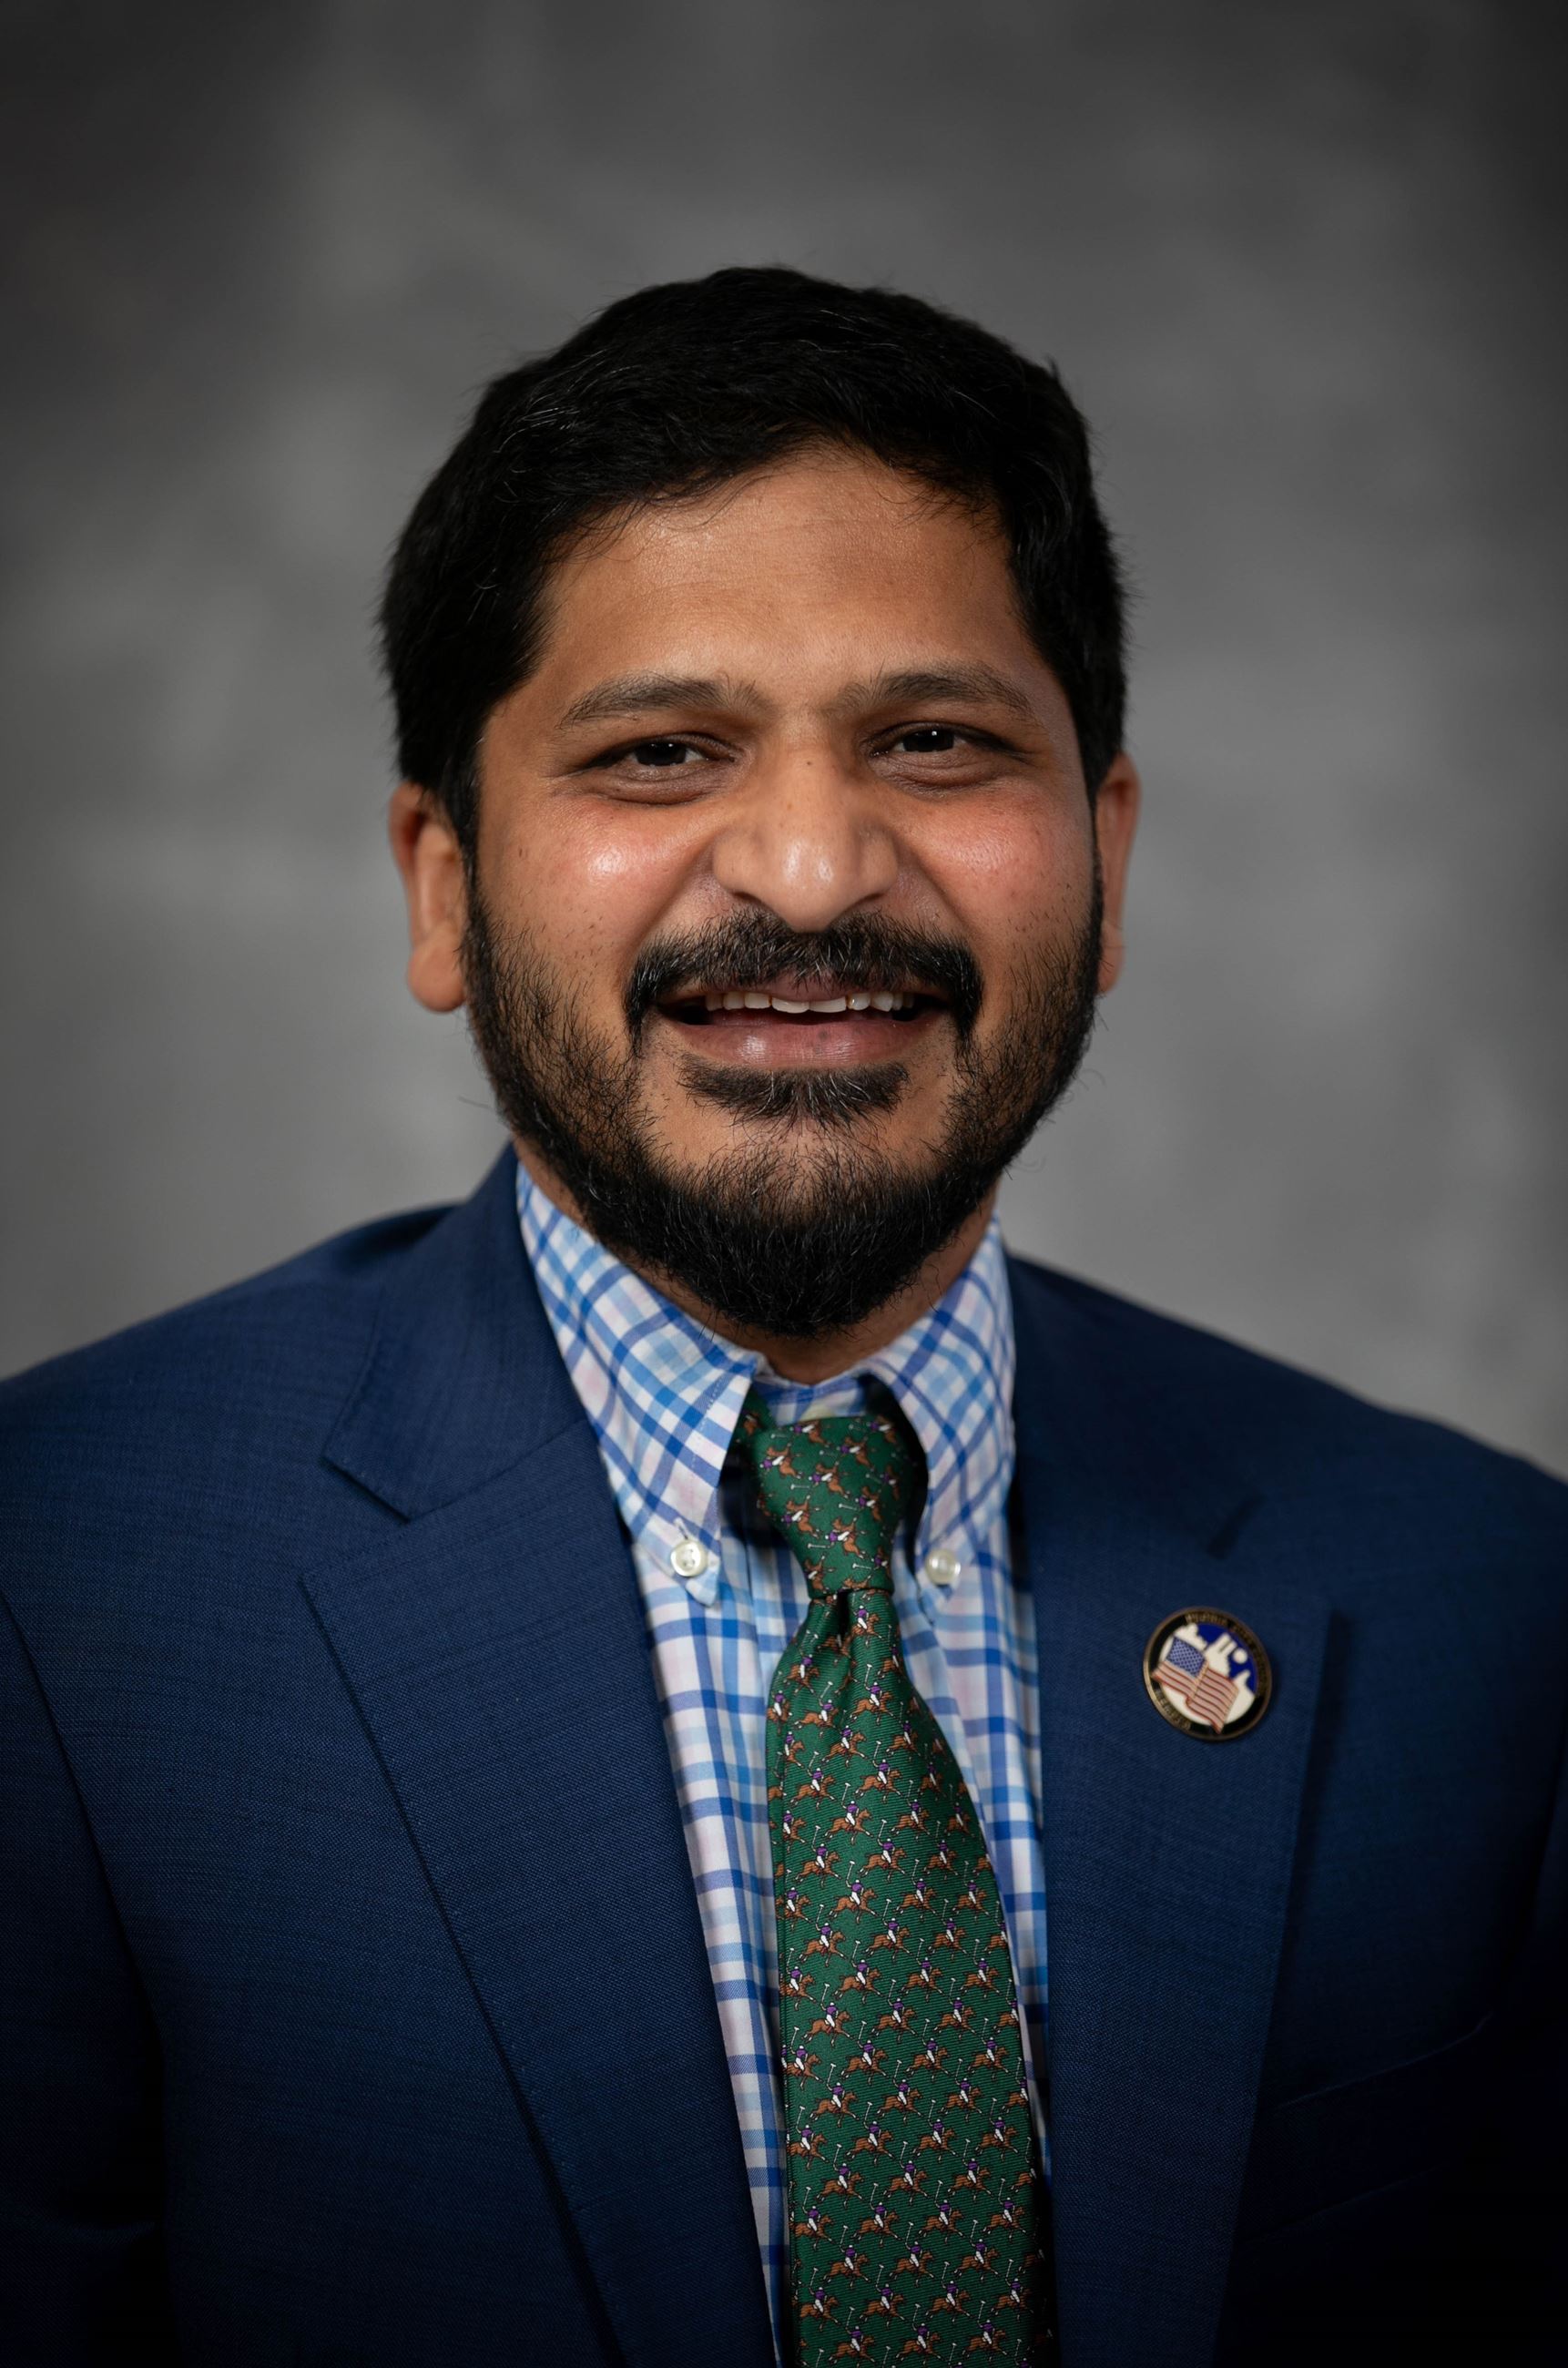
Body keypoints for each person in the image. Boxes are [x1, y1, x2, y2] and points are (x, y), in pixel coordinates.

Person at [1, 267, 1562, 2368]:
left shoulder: (1492, 1606)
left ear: (1104, 856)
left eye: (936, 741)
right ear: (443, 884)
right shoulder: (59, 1585)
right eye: (660, 753)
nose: (817, 869)